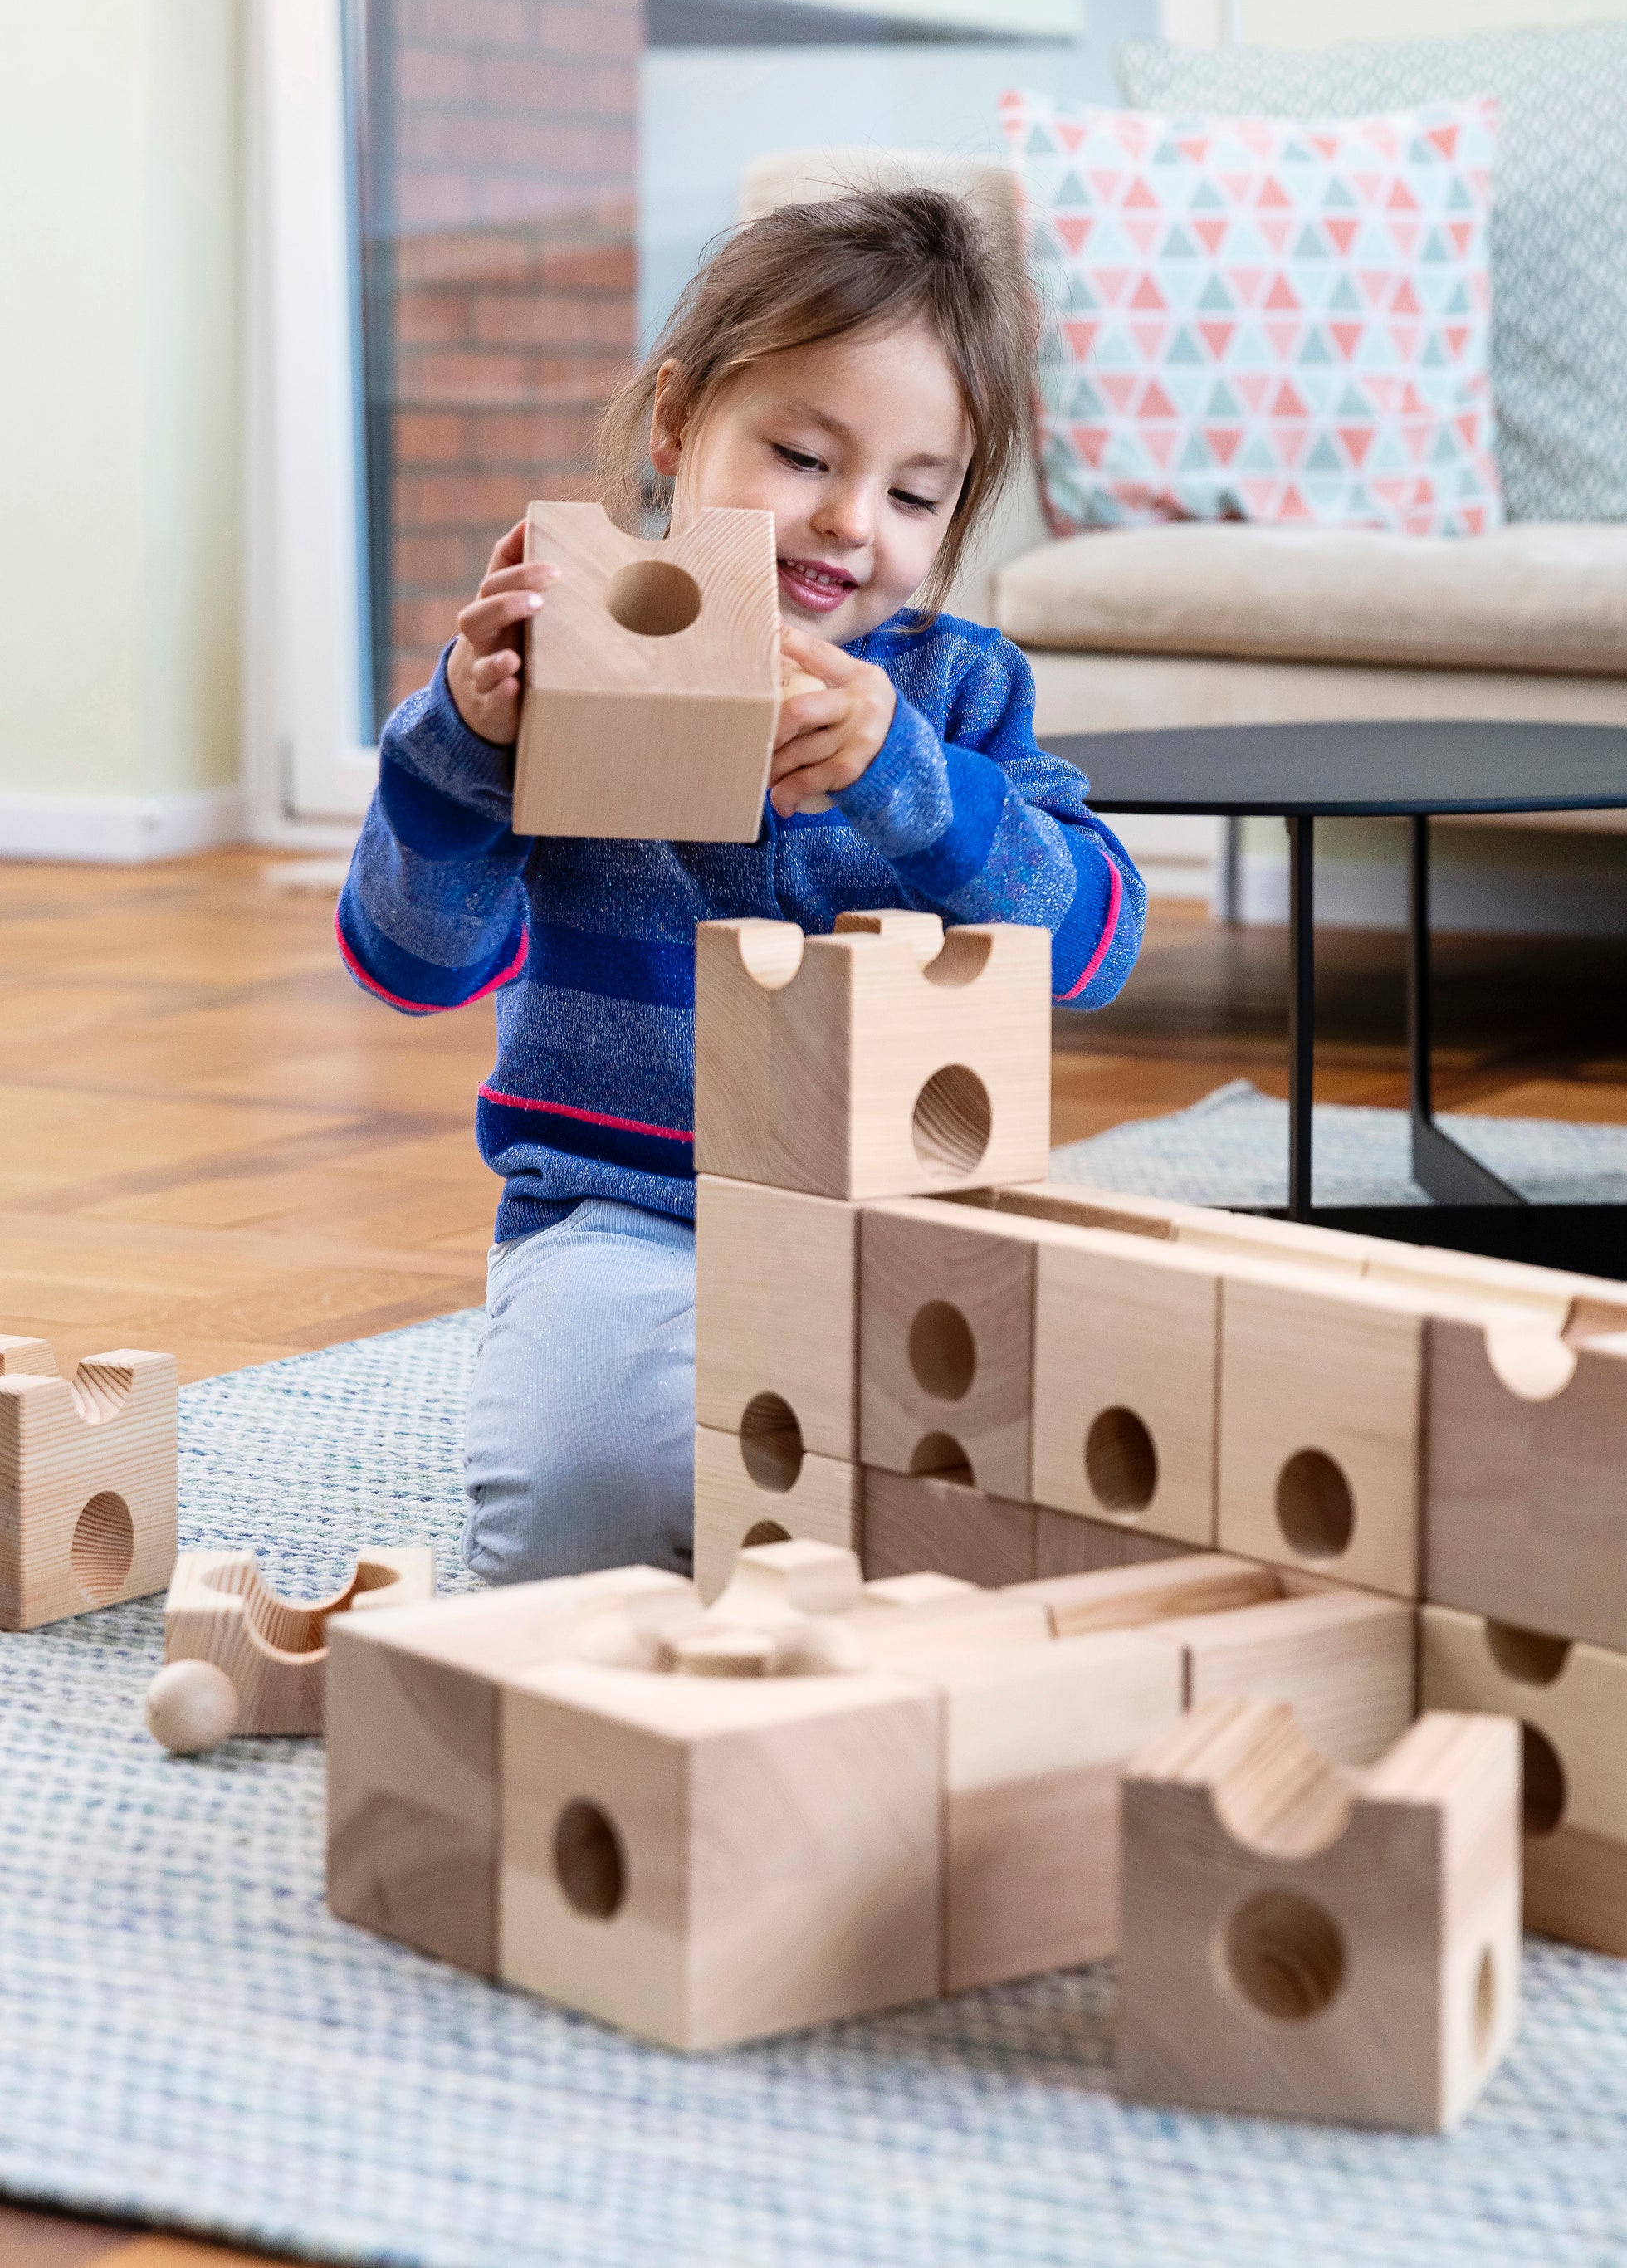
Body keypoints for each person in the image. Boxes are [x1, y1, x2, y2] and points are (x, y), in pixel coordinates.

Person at [336, 187, 1146, 1583]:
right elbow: (408, 962)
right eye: (799, 455)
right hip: (622, 1214)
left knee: (1068, 1506)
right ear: (676, 424)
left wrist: (914, 783)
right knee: (573, 1519)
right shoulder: (561, 659)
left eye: (912, 492)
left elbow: (1092, 944)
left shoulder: (956, 694)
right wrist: (464, 751)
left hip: (899, 1229)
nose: (846, 524)